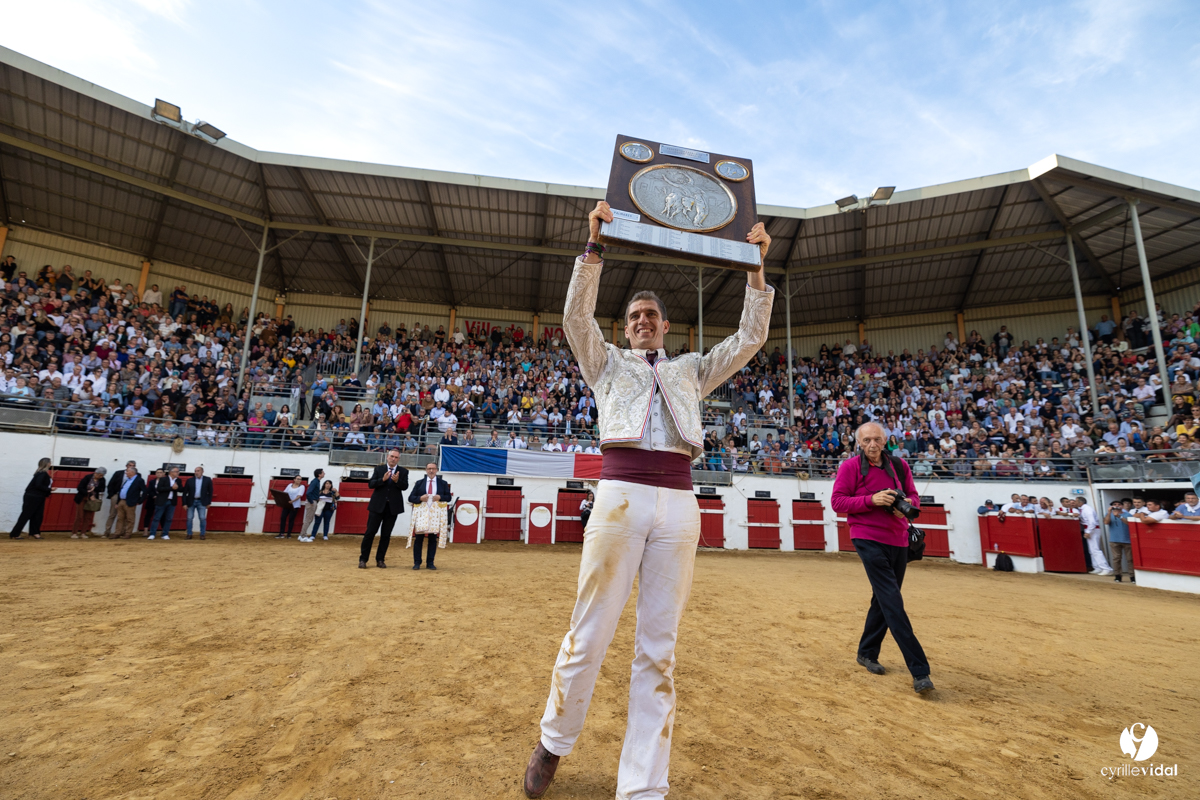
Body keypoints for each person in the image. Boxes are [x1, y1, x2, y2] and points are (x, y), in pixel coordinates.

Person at [524, 200, 773, 800]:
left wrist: (755, 269)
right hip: (618, 494)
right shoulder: (604, 361)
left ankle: (642, 789)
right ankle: (554, 742)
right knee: (591, 630)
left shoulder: (692, 368)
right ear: (626, 325)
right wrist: (594, 248)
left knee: (659, 648)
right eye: (634, 315)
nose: (642, 321)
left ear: (665, 325)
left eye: (651, 315)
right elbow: (574, 319)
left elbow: (751, 337)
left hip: (679, 504)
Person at [831, 422, 934, 696]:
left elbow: (913, 496)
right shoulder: (850, 467)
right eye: (866, 441)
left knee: (883, 598)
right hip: (867, 537)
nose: (872, 445)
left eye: (876, 439)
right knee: (892, 600)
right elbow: (838, 502)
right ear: (859, 443)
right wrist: (871, 500)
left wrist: (906, 509)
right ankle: (919, 670)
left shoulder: (899, 466)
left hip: (898, 539)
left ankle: (866, 652)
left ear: (885, 440)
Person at [360, 448, 410, 568]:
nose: (393, 459)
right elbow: (371, 484)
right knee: (370, 533)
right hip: (377, 506)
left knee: (386, 535)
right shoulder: (379, 469)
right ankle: (363, 559)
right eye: (392, 456)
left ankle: (380, 559)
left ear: (399, 459)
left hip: (392, 507)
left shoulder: (403, 471)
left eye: (396, 457)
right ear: (387, 457)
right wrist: (382, 480)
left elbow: (405, 487)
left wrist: (397, 481)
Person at [407, 461, 452, 570]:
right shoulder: (419, 483)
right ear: (426, 470)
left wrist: (440, 497)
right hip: (422, 514)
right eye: (429, 469)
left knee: (432, 539)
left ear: (436, 470)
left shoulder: (443, 483)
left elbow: (449, 497)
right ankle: (417, 562)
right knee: (419, 539)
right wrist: (420, 499)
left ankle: (430, 562)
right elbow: (410, 498)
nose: (431, 471)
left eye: (433, 468)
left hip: (435, 515)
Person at [10, 457, 53, 539]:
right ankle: (15, 534)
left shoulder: (40, 473)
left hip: (38, 496)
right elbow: (38, 485)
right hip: (34, 497)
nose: (50, 464)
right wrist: (50, 489)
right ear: (47, 464)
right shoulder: (42, 474)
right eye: (50, 462)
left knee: (37, 515)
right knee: (26, 515)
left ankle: (34, 533)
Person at [1075, 497, 1112, 576]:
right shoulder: (1083, 509)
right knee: (1092, 550)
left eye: (1076, 501)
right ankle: (1097, 567)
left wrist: (1088, 531)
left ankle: (1106, 568)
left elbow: (1092, 522)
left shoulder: (1087, 509)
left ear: (1080, 502)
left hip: (1093, 529)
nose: (1075, 502)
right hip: (1090, 529)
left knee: (1095, 550)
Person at [108, 462, 145, 539]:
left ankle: (128, 533)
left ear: (132, 472)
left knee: (130, 519)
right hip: (121, 500)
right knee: (120, 518)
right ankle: (117, 533)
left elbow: (145, 491)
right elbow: (122, 490)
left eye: (127, 472)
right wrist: (118, 502)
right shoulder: (127, 480)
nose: (126, 473)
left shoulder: (139, 480)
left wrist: (140, 501)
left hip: (130, 501)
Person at [103, 460, 138, 537]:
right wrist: (112, 495)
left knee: (125, 515)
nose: (131, 467)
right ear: (126, 466)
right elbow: (111, 484)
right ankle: (107, 531)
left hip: (128, 497)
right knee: (112, 514)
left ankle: (122, 532)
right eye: (130, 465)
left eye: (133, 466)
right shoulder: (118, 473)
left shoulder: (137, 475)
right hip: (116, 495)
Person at [71, 467, 107, 538]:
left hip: (92, 499)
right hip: (82, 498)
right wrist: (89, 494)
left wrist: (95, 489)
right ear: (95, 473)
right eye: (100, 475)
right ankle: (74, 533)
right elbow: (80, 488)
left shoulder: (102, 480)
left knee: (87, 517)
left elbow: (102, 489)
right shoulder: (87, 477)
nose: (101, 477)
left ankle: (83, 533)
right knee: (79, 516)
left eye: (102, 475)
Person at [147, 467, 183, 540]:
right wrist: (171, 488)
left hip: (172, 501)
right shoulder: (163, 479)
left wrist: (177, 488)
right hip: (162, 501)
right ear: (171, 472)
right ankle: (152, 534)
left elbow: (181, 489)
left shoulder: (178, 480)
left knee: (169, 519)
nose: (178, 473)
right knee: (157, 518)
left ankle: (165, 534)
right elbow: (159, 489)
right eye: (176, 471)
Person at [1105, 499, 1134, 583]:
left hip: (1127, 539)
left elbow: (1130, 524)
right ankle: (1118, 576)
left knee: (1130, 559)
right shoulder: (1108, 514)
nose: (1117, 506)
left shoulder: (1127, 514)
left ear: (1122, 506)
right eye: (1115, 504)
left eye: (1119, 504)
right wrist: (1109, 513)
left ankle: (1132, 576)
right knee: (1116, 558)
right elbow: (1106, 522)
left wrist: (1119, 516)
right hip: (1114, 540)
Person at [182, 466, 213, 540]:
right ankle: (189, 534)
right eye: (195, 471)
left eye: (198, 471)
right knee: (189, 518)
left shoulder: (207, 479)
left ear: (202, 471)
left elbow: (210, 492)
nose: (196, 472)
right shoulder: (189, 480)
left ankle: (202, 534)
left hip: (202, 501)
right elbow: (185, 492)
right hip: (191, 501)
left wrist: (209, 502)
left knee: (202, 518)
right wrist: (184, 503)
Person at [280, 475, 306, 540]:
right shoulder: (289, 485)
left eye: (300, 479)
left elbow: (299, 496)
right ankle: (281, 533)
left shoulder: (302, 487)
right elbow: (284, 493)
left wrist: (292, 501)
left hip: (295, 505)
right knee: (283, 517)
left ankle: (289, 534)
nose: (299, 480)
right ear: (294, 479)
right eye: (297, 479)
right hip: (287, 504)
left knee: (291, 519)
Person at [302, 468, 326, 539]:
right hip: (312, 501)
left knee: (309, 519)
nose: (324, 473)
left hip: (313, 500)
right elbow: (308, 492)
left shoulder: (316, 481)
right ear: (319, 474)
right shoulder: (315, 481)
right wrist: (311, 501)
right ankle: (303, 535)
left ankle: (302, 534)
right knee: (308, 519)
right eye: (323, 472)